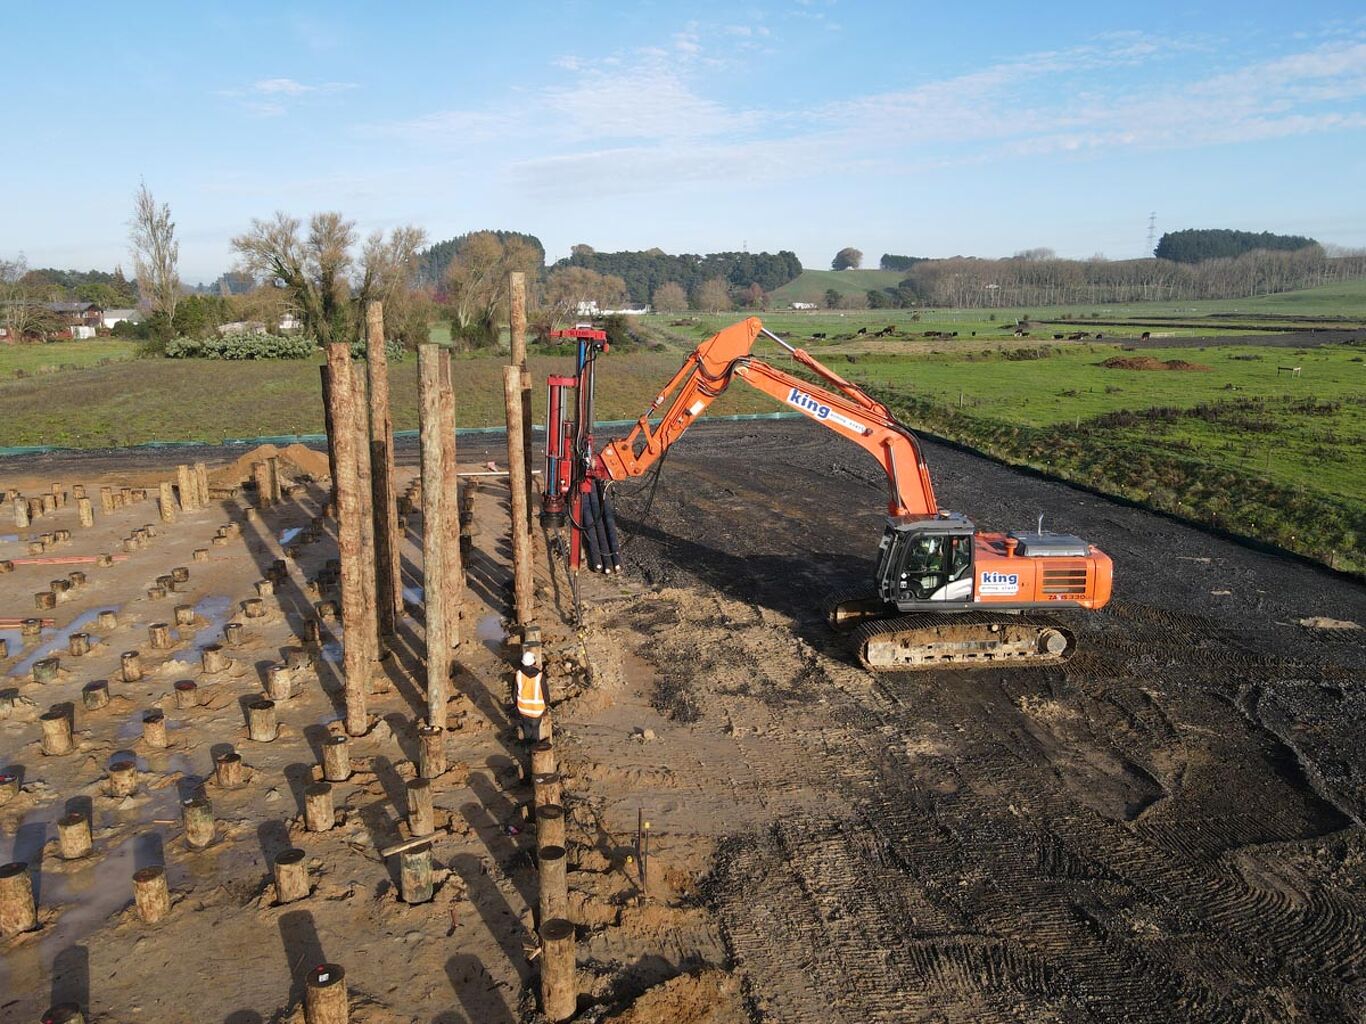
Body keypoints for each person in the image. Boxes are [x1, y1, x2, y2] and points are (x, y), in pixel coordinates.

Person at [514, 649, 547, 742]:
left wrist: (516, 705)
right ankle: (535, 749)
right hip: (537, 710)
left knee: (527, 729)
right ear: (534, 662)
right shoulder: (540, 676)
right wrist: (546, 705)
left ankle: (527, 749)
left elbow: (514, 693)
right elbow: (545, 694)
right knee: (535, 730)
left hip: (523, 709)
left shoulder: (518, 674)